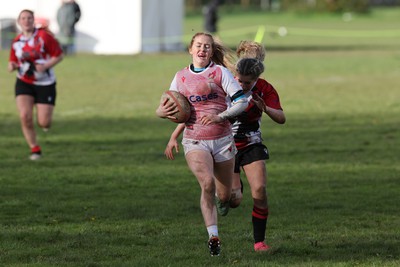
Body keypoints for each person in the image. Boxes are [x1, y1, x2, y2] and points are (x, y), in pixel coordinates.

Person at [156, 32, 249, 256]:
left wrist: (221, 116)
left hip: (223, 140)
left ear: (210, 51)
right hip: (195, 139)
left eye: (207, 47)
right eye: (198, 45)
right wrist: (160, 112)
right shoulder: (180, 77)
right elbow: (168, 106)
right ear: (190, 49)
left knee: (226, 196)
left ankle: (225, 197)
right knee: (207, 183)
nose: (203, 50)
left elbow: (241, 102)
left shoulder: (220, 73)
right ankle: (213, 236)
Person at [228, 40, 286, 252]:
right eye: (240, 81)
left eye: (247, 83)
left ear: (257, 79)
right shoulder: (226, 83)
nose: (242, 86)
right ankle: (229, 192)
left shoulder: (264, 89)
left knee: (260, 190)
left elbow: (281, 118)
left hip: (252, 143)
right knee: (233, 200)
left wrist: (266, 108)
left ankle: (259, 242)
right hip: (226, 147)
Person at [8, 9, 64, 160]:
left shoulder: (43, 37)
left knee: (44, 122)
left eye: (29, 18)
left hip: (45, 83)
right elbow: (12, 60)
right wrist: (12, 66)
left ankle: (45, 124)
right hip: (24, 82)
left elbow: (59, 55)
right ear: (19, 22)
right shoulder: (17, 41)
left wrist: (45, 66)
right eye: (23, 18)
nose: (26, 21)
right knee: (25, 116)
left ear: (33, 21)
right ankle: (35, 149)